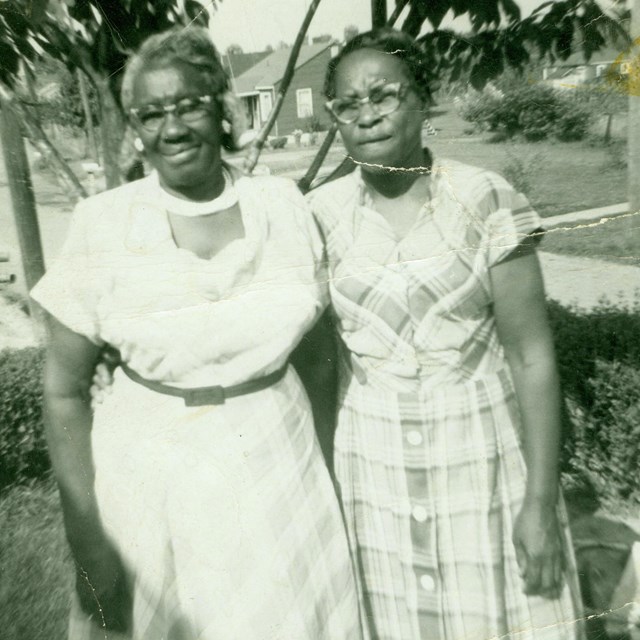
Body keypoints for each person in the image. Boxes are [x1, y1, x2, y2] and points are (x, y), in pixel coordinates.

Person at [31, 27, 363, 640]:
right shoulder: (103, 224)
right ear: (134, 126)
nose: (173, 128)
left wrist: (323, 477)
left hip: (277, 467)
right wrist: (89, 542)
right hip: (149, 470)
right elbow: (63, 392)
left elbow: (317, 358)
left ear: (221, 107)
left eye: (189, 105)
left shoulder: (283, 206)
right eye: (151, 113)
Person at [307, 28, 584, 639]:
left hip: (481, 459)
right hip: (371, 468)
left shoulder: (486, 199)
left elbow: (532, 356)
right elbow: (321, 361)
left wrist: (539, 501)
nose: (368, 115)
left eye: (384, 95)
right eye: (348, 105)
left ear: (421, 98)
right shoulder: (320, 217)